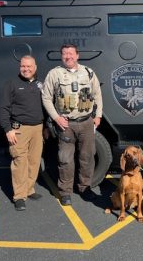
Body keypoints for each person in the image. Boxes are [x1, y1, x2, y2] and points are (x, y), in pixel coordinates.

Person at [42, 44, 103, 206]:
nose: (67, 56)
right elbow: (46, 98)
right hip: (66, 125)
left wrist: (98, 115)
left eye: (70, 53)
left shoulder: (88, 73)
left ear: (77, 55)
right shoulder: (55, 74)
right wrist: (56, 118)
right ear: (61, 57)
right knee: (65, 159)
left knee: (87, 158)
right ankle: (66, 192)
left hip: (86, 123)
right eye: (64, 54)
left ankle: (85, 188)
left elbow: (97, 94)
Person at [0, 55, 45, 211]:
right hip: (19, 130)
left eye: (29, 66)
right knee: (20, 162)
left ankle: (29, 189)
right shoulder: (12, 84)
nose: (26, 69)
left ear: (35, 67)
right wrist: (8, 129)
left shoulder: (40, 84)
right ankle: (19, 196)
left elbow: (45, 106)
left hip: (38, 129)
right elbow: (3, 108)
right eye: (23, 66)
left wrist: (45, 128)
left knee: (34, 161)